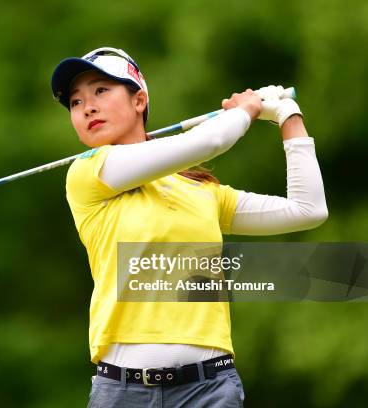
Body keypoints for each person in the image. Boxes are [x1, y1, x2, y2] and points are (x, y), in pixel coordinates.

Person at [50, 47, 328, 407]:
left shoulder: (200, 190)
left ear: (139, 101)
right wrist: (247, 110)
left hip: (209, 388)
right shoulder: (88, 173)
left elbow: (307, 209)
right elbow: (208, 141)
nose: (86, 107)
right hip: (123, 392)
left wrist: (288, 116)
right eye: (75, 102)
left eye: (101, 91)